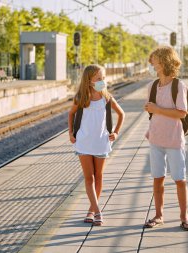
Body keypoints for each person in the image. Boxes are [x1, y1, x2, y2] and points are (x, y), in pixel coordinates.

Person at [144, 46, 188, 231]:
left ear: (164, 62)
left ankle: (184, 217)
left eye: (154, 60)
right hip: (156, 139)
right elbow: (153, 112)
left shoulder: (178, 86)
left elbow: (182, 112)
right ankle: (158, 216)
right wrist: (152, 109)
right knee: (157, 178)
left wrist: (157, 109)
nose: (151, 63)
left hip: (174, 140)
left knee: (179, 179)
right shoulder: (152, 86)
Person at [68, 64, 125, 226]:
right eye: (99, 78)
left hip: (101, 142)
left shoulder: (106, 98)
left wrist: (116, 132)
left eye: (103, 78)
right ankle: (98, 211)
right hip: (84, 142)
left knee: (98, 176)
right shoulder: (80, 98)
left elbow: (122, 114)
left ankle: (91, 210)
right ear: (89, 80)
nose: (102, 81)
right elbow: (71, 114)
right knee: (89, 177)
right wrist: (71, 133)